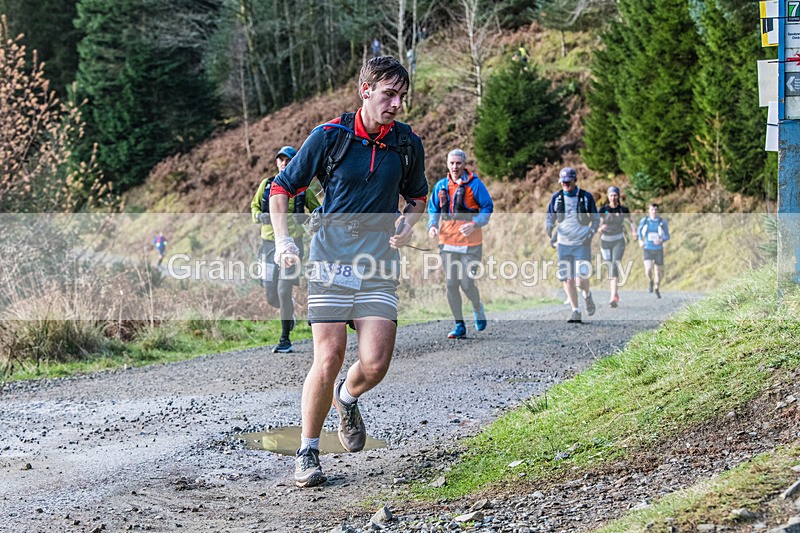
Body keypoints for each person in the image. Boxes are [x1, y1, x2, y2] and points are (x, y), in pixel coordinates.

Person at [269, 56, 427, 488]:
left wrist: (407, 222)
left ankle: (347, 397)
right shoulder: (330, 137)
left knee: (374, 364)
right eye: (389, 94)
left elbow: (417, 196)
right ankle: (308, 451)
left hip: (377, 265)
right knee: (330, 355)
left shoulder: (407, 144)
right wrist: (284, 241)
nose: (396, 104)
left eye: (402, 97)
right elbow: (281, 188)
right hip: (330, 260)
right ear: (365, 90)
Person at [251, 145, 320, 353]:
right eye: (281, 159)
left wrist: (305, 224)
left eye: (289, 160)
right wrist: (259, 216)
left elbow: (316, 211)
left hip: (293, 246)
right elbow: (254, 207)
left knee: (283, 288)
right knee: (272, 296)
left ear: (294, 162)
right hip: (268, 245)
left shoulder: (303, 188)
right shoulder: (266, 185)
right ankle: (287, 309)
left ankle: (284, 339)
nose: (284, 163)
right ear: (277, 162)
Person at [427, 149, 493, 339]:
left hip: (471, 244)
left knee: (466, 282)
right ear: (447, 164)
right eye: (452, 163)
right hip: (447, 242)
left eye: (458, 163)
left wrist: (475, 224)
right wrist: (432, 225)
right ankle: (459, 325)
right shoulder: (441, 186)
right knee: (451, 283)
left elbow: (488, 207)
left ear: (464, 164)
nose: (455, 167)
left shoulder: (475, 185)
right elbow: (434, 209)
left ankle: (477, 306)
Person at [545, 167, 599, 323]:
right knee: (567, 279)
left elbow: (595, 219)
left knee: (581, 280)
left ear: (575, 181)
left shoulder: (586, 197)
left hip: (582, 244)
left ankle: (587, 294)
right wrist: (549, 226)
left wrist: (591, 233)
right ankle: (576, 311)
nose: (565, 185)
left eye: (568, 182)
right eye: (563, 182)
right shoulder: (556, 198)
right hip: (564, 245)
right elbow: (550, 216)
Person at [597, 186, 635, 308]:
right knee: (610, 267)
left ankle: (613, 295)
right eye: (611, 195)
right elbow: (596, 223)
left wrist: (634, 232)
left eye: (615, 195)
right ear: (608, 197)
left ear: (618, 196)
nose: (613, 198)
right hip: (605, 241)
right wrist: (599, 228)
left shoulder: (623, 209)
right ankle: (615, 292)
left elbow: (631, 220)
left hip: (619, 240)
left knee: (614, 265)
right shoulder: (603, 209)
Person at [637, 203, 670, 299]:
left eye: (656, 210)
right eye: (652, 209)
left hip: (658, 249)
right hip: (648, 248)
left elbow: (667, 235)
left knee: (658, 271)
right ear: (649, 211)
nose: (654, 211)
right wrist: (640, 240)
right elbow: (639, 231)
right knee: (648, 269)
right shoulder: (645, 221)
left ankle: (657, 288)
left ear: (658, 211)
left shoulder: (662, 222)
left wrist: (661, 240)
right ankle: (650, 281)